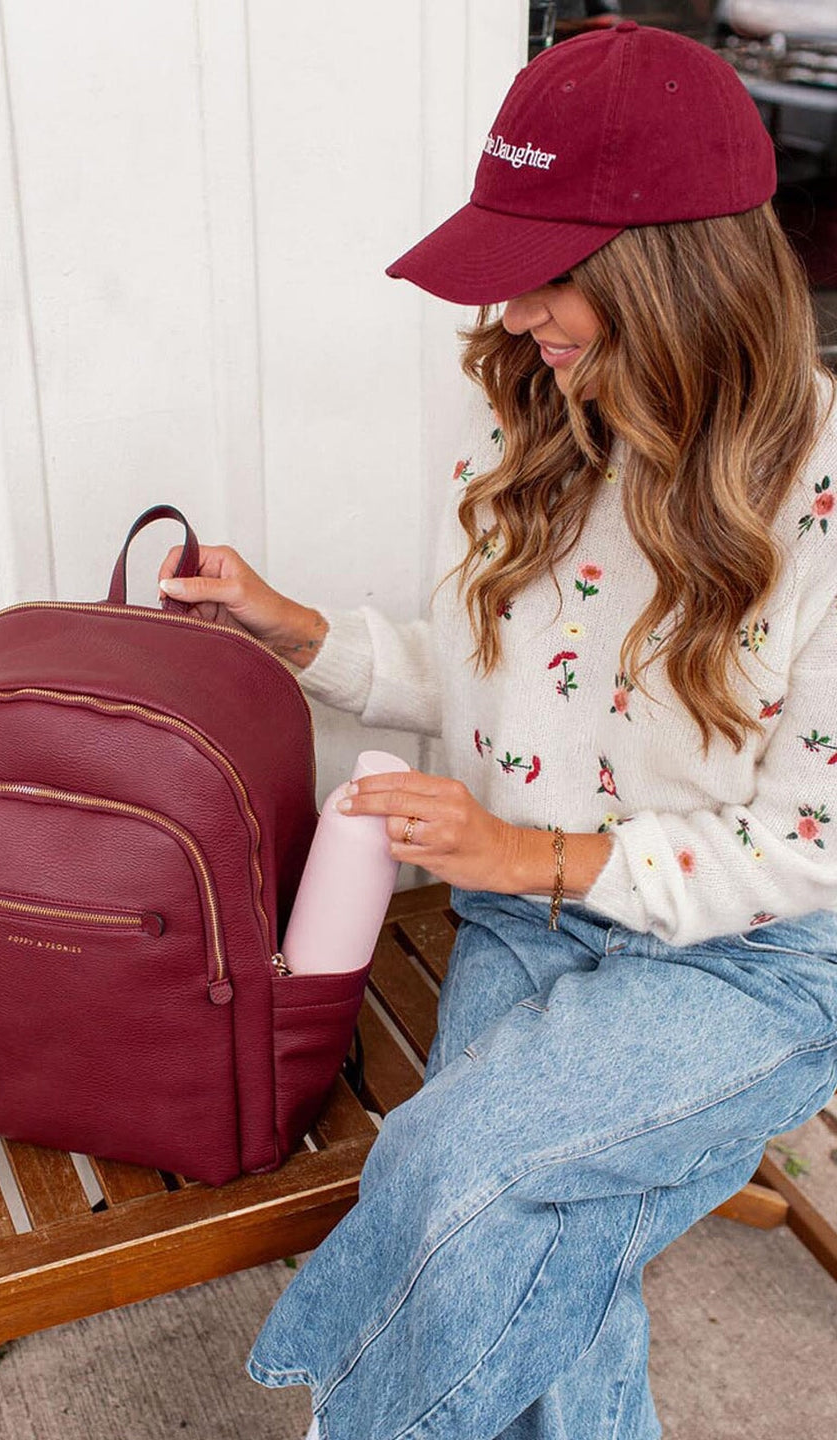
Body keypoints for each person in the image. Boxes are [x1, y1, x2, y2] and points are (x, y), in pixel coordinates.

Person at [158, 23, 837, 1440]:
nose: (519, 312)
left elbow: (813, 843)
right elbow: (501, 697)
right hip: (530, 922)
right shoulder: (560, 422)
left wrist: (525, 854)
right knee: (544, 1256)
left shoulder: (821, 506)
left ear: (671, 270)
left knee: (450, 1178)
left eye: (549, 273)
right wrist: (302, 632)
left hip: (743, 969)